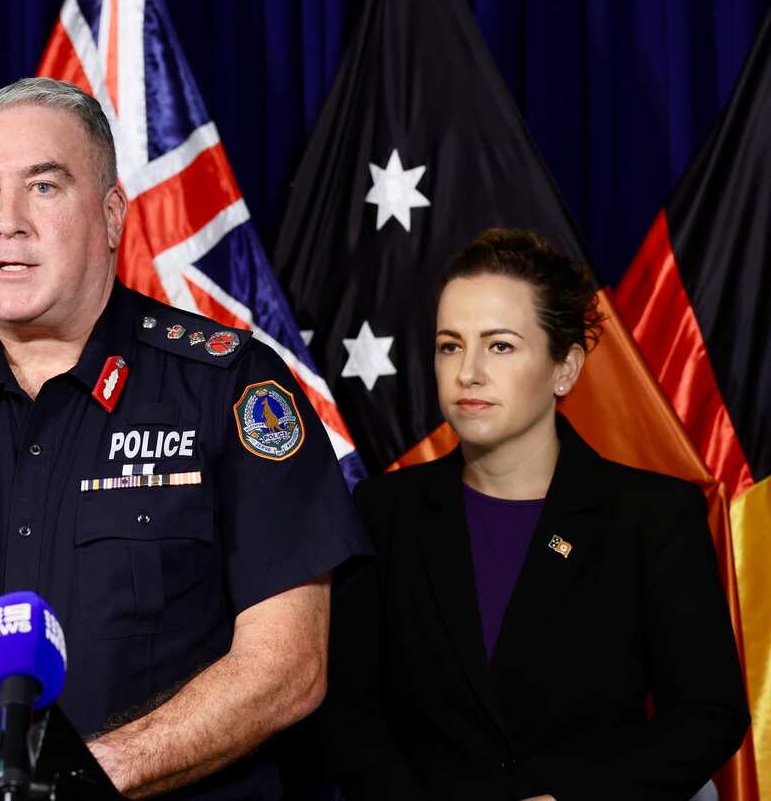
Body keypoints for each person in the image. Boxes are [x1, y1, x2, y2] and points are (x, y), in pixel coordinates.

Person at [0, 78, 370, 798]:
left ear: (113, 215)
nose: (6, 221)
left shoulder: (227, 387)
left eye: (44, 187)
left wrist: (80, 782)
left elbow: (288, 668)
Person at [316, 229, 749, 799]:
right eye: (450, 345)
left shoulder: (654, 516)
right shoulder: (383, 510)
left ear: (564, 368)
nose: (468, 372)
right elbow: (349, 715)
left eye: (499, 346)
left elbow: (708, 714)